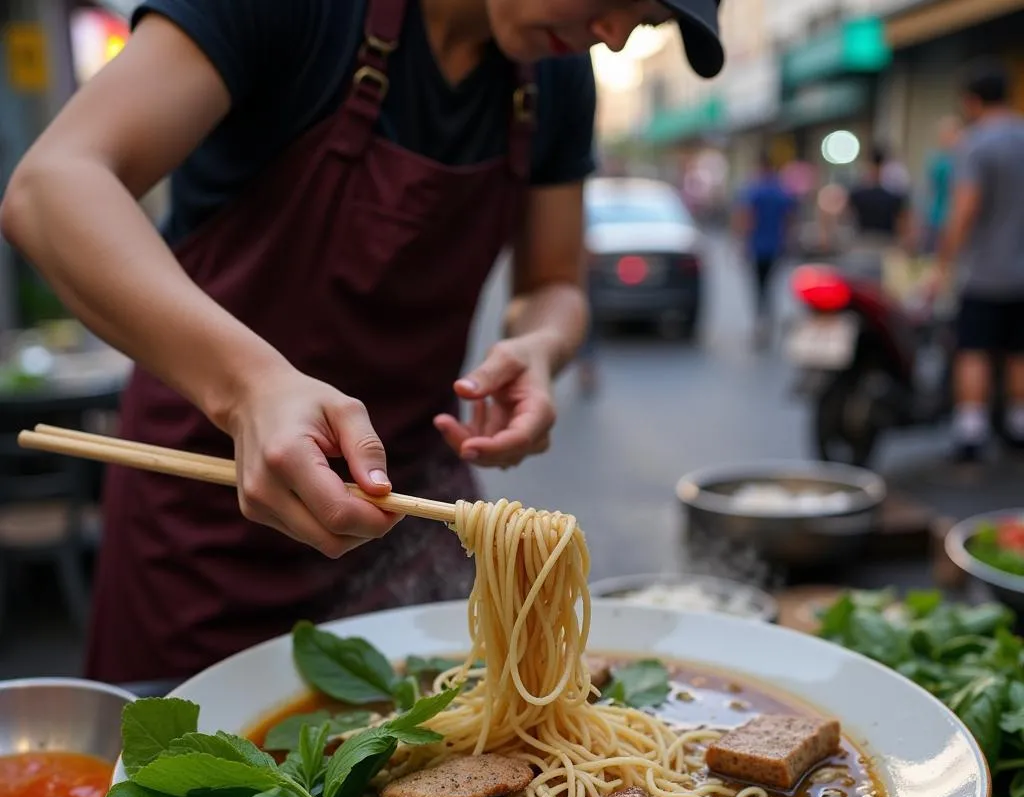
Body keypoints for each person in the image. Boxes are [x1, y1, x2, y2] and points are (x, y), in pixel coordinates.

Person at [0, 0, 724, 683]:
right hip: (200, 513)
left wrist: (540, 345)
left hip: (399, 511)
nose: (617, 33)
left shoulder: (559, 78)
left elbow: (554, 281)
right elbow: (53, 186)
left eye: (646, 20)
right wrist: (250, 387)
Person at [932, 60, 1024, 461]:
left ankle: (972, 429)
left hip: (985, 272)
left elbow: (964, 209)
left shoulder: (975, 143)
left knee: (974, 349)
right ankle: (1019, 422)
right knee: (1020, 350)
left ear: (971, 101)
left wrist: (942, 262)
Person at [733, 150, 796, 347]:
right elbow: (789, 219)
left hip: (758, 246)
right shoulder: (781, 191)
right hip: (776, 246)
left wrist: (742, 241)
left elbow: (746, 217)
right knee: (769, 286)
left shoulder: (753, 190)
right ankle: (768, 319)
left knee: (759, 287)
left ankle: (762, 321)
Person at [924, 115, 962, 254]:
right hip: (936, 217)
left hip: (953, 218)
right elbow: (929, 191)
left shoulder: (964, 160)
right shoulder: (937, 159)